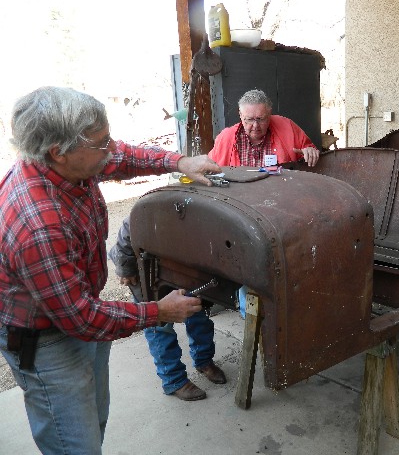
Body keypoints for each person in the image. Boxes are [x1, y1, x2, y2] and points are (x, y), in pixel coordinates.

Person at [0, 86, 222, 454]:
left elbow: (123, 157)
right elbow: (82, 320)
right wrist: (160, 311)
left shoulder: (70, 164)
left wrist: (180, 162)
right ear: (59, 151)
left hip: (76, 315)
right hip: (47, 342)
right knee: (75, 444)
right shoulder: (39, 223)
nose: (111, 148)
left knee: (94, 420)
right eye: (101, 142)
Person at [109, 88, 320, 401]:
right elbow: (127, 231)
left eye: (261, 118)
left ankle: (204, 361)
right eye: (250, 119)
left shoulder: (199, 213)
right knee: (161, 325)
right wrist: (125, 267)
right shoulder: (158, 207)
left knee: (197, 310)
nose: (255, 124)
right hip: (150, 274)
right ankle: (174, 380)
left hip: (183, 268)